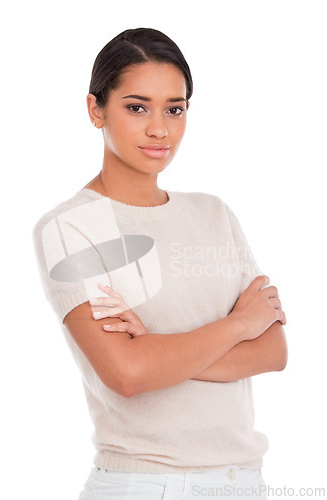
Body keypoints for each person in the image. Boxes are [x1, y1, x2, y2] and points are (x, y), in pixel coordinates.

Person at [33, 27, 287, 500]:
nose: (160, 129)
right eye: (136, 107)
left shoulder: (214, 214)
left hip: (245, 482)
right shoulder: (72, 227)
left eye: (175, 108)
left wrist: (156, 349)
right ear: (95, 109)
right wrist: (238, 325)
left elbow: (273, 351)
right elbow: (128, 375)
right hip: (146, 484)